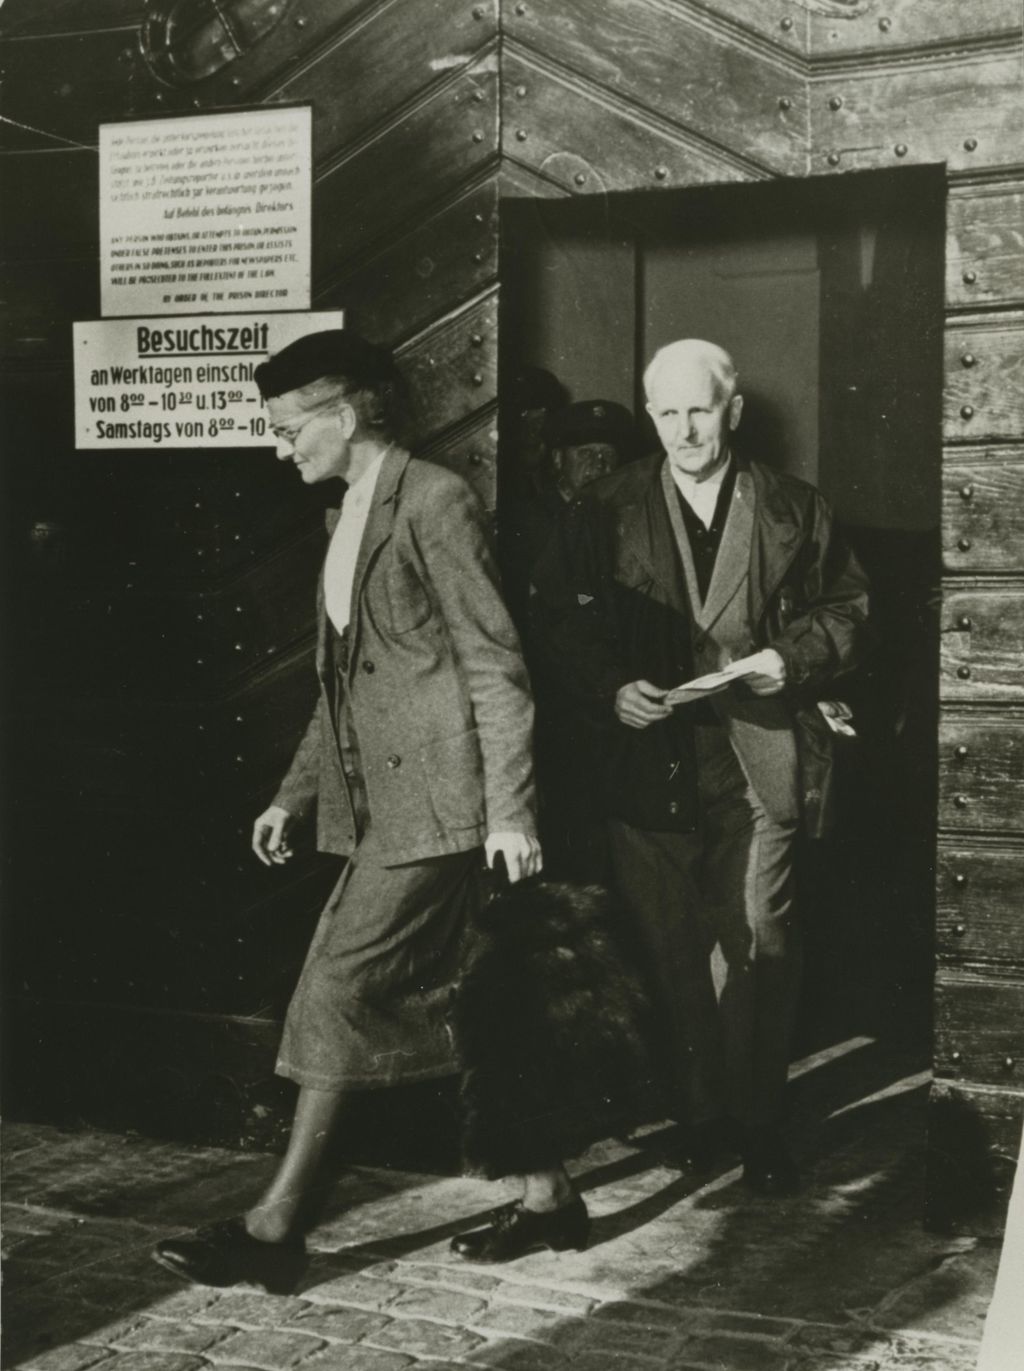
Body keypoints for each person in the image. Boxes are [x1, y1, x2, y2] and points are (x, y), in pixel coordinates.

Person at [152, 329, 587, 1285]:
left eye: (287, 427)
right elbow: (339, 687)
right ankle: (552, 1193)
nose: (279, 447)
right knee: (453, 1001)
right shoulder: (342, 514)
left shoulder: (434, 500)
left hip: (443, 804)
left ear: (343, 417)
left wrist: (512, 810)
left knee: (338, 988)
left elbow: (495, 663)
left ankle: (274, 1224)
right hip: (378, 809)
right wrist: (292, 796)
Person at [533, 339, 870, 1193]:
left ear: (734, 410)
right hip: (646, 760)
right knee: (667, 943)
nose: (685, 428)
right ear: (651, 415)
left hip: (758, 754)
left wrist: (790, 660)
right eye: (668, 411)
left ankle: (758, 1120)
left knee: (762, 934)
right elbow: (560, 624)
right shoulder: (601, 508)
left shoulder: (795, 507)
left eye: (701, 409)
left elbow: (848, 609)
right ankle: (700, 1115)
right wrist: (611, 686)